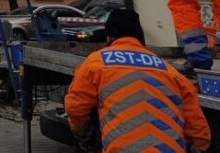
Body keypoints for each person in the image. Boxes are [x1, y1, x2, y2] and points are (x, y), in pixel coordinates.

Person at [65, 8, 210, 153]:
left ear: (109, 37)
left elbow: (75, 108)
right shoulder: (170, 71)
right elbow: (199, 132)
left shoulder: (96, 63)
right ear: (140, 37)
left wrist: (85, 138)